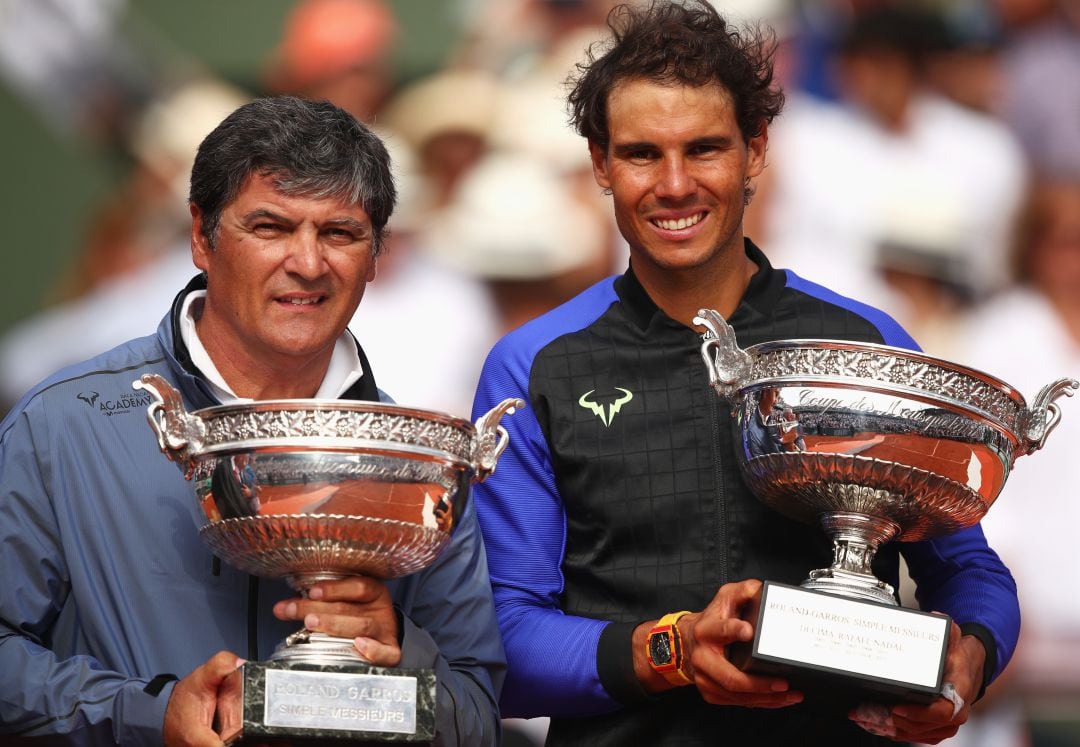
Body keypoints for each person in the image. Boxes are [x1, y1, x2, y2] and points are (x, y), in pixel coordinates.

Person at [469, 2, 1019, 745]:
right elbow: (501, 641)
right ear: (599, 163)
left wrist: (968, 659)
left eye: (704, 149)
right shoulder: (533, 364)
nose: (673, 184)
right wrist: (671, 649)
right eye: (640, 154)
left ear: (755, 150)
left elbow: (969, 571)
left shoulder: (865, 339)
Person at [0, 96, 504, 745]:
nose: (308, 262)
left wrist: (403, 649)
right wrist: (149, 713)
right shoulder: (64, 425)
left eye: (340, 232)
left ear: (377, 254)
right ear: (200, 236)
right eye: (270, 227)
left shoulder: (417, 461)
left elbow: (477, 715)